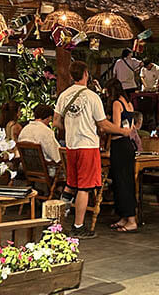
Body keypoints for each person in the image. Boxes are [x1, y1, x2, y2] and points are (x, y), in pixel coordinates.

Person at [54, 61, 135, 238]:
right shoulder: (92, 97)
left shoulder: (64, 96)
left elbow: (56, 122)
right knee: (84, 187)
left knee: (70, 184)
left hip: (71, 146)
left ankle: (56, 223)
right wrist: (123, 131)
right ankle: (78, 226)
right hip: (88, 146)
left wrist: (71, 128)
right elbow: (103, 125)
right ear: (86, 74)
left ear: (70, 76)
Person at [105, 79, 139, 233]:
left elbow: (117, 127)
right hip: (128, 144)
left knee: (122, 181)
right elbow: (130, 126)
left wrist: (104, 124)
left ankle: (131, 219)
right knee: (124, 180)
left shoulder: (116, 104)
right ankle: (124, 217)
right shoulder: (129, 104)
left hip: (119, 144)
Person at [18, 104, 61, 175]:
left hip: (27, 169)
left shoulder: (25, 129)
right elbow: (57, 156)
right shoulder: (46, 132)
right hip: (44, 170)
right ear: (49, 117)